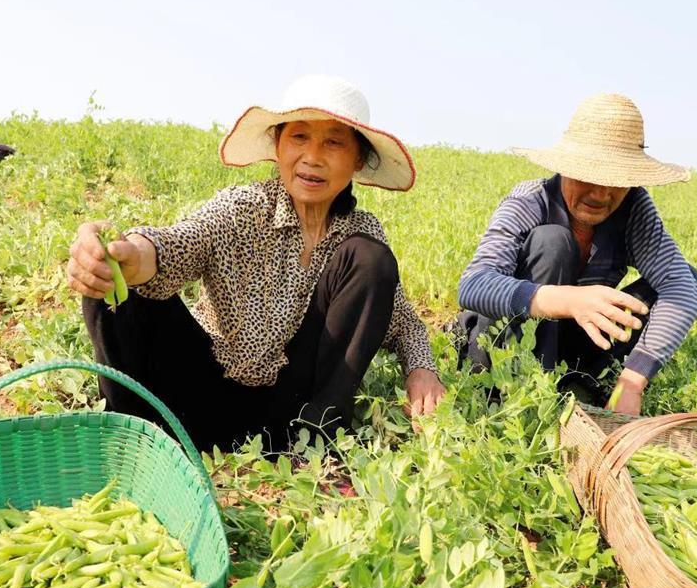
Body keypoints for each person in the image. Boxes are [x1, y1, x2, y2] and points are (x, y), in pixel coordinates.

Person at [66, 75, 445, 452]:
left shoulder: (359, 235)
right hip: (200, 391)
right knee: (113, 284)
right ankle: (139, 435)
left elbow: (401, 321)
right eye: (299, 137)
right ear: (278, 144)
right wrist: (131, 254)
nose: (312, 157)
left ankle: (315, 439)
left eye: (333, 142)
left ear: (357, 159)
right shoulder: (244, 208)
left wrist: (422, 369)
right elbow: (182, 242)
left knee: (371, 258)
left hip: (291, 411)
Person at [454, 93, 697, 416]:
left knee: (687, 278)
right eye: (590, 175)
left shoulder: (633, 210)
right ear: (567, 167)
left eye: (617, 181)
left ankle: (581, 383)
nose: (601, 194)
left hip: (573, 345)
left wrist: (633, 379)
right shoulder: (531, 200)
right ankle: (526, 401)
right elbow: (474, 285)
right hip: (504, 348)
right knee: (553, 244)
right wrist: (570, 300)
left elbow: (682, 289)